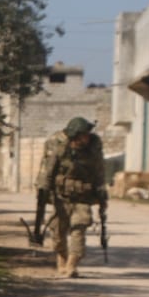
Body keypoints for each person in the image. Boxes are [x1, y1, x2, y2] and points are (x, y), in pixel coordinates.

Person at [36, 116, 107, 278]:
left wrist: (102, 196)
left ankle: (72, 264)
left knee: (79, 229)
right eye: (83, 135)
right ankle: (62, 259)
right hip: (61, 197)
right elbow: (47, 172)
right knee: (58, 232)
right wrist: (43, 192)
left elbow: (99, 172)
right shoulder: (59, 148)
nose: (87, 138)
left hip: (83, 197)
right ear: (75, 135)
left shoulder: (93, 150)